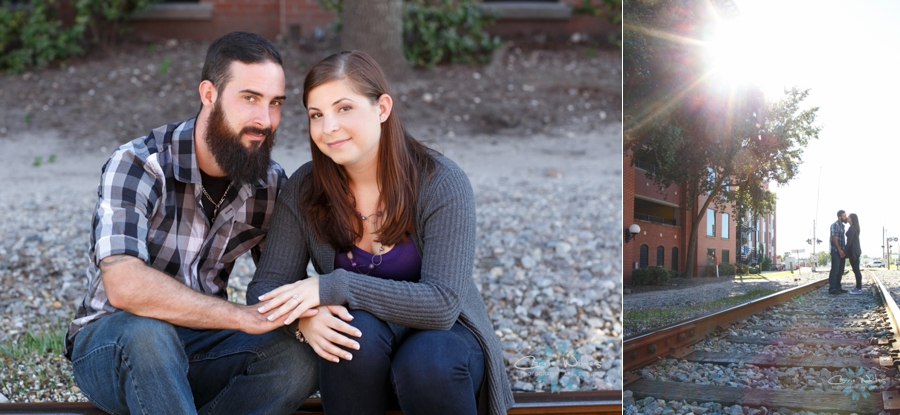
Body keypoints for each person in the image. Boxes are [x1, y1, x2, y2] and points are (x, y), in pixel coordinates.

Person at [247, 51, 514, 415]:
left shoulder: (440, 182)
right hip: (365, 354)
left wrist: (336, 286)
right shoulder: (305, 187)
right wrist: (302, 320)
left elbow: (443, 305)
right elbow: (264, 289)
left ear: (382, 108)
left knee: (428, 362)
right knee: (349, 336)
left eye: (344, 109)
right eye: (316, 115)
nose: (329, 129)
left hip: (446, 343)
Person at [65, 32, 319, 414]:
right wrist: (239, 316)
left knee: (298, 358)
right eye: (249, 98)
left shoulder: (269, 184)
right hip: (115, 343)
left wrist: (315, 309)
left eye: (275, 103)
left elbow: (280, 283)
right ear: (209, 94)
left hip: (201, 345)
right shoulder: (139, 164)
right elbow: (123, 285)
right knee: (150, 335)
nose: (264, 120)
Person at [829, 209, 848, 294]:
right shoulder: (834, 225)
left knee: (840, 270)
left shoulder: (843, 226)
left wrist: (843, 251)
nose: (845, 218)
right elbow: (834, 238)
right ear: (839, 217)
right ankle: (832, 288)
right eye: (844, 216)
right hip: (836, 251)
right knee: (835, 270)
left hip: (842, 251)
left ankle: (838, 287)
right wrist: (839, 250)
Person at [845, 213, 864, 294]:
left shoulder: (852, 228)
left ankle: (859, 288)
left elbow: (849, 242)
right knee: (856, 270)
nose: (847, 218)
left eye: (848, 217)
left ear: (851, 218)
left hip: (854, 252)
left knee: (856, 270)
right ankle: (858, 287)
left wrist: (844, 252)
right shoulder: (852, 227)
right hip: (854, 252)